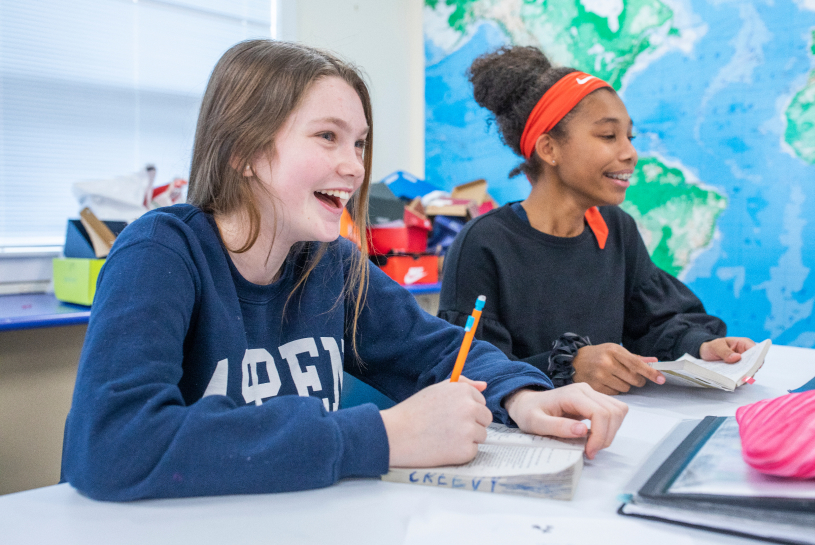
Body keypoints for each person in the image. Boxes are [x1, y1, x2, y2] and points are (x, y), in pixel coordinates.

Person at [60, 40, 627, 501]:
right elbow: (115, 445)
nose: (354, 167)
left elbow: (435, 349)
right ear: (243, 151)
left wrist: (520, 396)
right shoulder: (160, 253)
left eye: (359, 143)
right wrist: (382, 435)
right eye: (327, 136)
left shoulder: (330, 265)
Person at [438, 46, 755, 396]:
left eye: (629, 137)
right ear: (549, 149)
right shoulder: (483, 244)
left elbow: (653, 323)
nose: (629, 152)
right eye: (608, 136)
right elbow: (471, 373)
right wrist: (566, 367)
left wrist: (698, 345)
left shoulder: (617, 229)